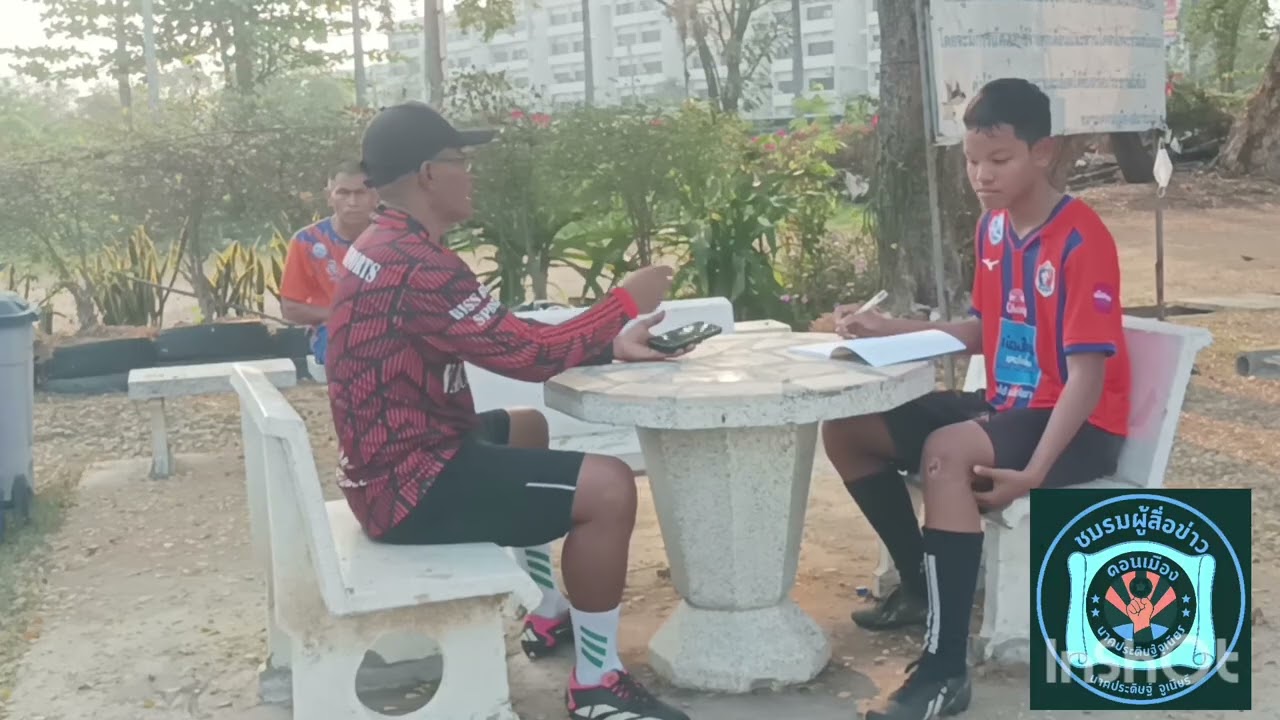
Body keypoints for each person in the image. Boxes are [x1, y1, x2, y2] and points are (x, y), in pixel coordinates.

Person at [324, 101, 696, 720]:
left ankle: (549, 608)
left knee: (528, 425)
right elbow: (529, 355)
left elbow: (503, 338)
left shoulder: (385, 244)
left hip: (392, 463)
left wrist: (609, 344)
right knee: (608, 487)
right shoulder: (418, 264)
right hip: (409, 486)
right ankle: (597, 682)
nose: (471, 174)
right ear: (428, 175)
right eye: (461, 161)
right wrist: (624, 304)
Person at [823, 78, 1130, 720]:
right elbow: (987, 331)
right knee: (848, 429)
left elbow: (1087, 377)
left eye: (999, 160)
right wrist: (886, 330)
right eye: (971, 161)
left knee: (946, 452)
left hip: (1076, 425)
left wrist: (1034, 473)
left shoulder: (1081, 239)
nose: (982, 176)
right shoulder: (993, 229)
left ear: (1042, 152)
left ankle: (944, 671)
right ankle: (918, 587)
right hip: (1006, 405)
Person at [278, 160, 378, 361]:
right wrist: (340, 315)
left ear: (375, 196)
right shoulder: (306, 241)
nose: (352, 202)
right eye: (343, 193)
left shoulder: (395, 239)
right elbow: (290, 308)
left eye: (360, 193)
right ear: (328, 197)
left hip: (387, 331)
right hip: (332, 333)